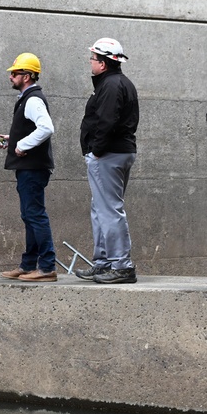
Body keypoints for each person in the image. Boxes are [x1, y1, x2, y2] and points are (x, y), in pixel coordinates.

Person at [76, 37, 139, 284]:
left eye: (93, 59)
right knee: (101, 209)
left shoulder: (111, 86)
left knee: (110, 210)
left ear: (103, 63)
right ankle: (104, 263)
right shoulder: (120, 83)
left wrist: (96, 150)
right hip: (117, 152)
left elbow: (106, 121)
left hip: (109, 155)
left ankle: (121, 265)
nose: (90, 63)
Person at [0, 54, 57, 282]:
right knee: (29, 216)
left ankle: (47, 266)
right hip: (30, 167)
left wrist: (21, 144)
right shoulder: (27, 98)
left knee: (35, 215)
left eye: (15, 73)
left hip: (33, 168)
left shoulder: (32, 99)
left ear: (27, 76)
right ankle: (29, 264)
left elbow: (46, 128)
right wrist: (14, 139)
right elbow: (35, 129)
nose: (11, 77)